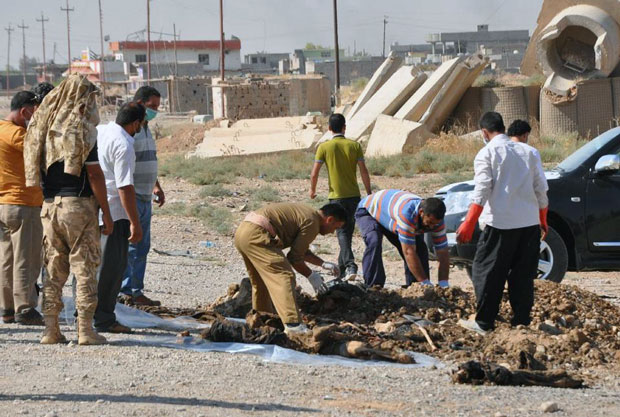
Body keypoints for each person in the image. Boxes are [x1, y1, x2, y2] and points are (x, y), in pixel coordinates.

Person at [27, 75, 114, 345]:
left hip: (50, 206)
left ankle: (50, 330)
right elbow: (96, 175)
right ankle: (85, 330)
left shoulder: (43, 128)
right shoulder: (80, 129)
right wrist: (107, 214)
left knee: (53, 269)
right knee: (85, 266)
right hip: (78, 205)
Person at [457, 112, 549, 335]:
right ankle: (521, 322)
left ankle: (485, 322)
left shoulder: (487, 152)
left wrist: (469, 222)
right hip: (528, 225)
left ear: (484, 132)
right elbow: (541, 189)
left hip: (500, 225)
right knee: (523, 276)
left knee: (486, 272)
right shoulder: (530, 152)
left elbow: (482, 189)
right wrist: (543, 220)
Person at [234, 203, 346, 335]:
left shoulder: (307, 213)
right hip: (257, 235)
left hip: (243, 232)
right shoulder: (312, 223)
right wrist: (311, 276)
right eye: (335, 227)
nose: (332, 232)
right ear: (330, 219)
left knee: (261, 282)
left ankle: (262, 321)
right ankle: (293, 325)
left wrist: (322, 263)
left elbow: (302, 252)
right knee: (284, 275)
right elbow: (294, 258)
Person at [94, 102, 145, 334]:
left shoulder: (102, 131)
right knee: (111, 268)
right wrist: (135, 222)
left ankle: (84, 313)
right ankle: (103, 318)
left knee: (92, 265)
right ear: (135, 123)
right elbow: (124, 186)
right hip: (115, 213)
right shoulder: (124, 144)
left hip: (96, 210)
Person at [310, 113, 371, 280]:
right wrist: (369, 192)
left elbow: (314, 173)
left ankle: (350, 266)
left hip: (335, 197)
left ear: (329, 128)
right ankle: (341, 271)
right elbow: (363, 171)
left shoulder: (324, 147)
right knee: (346, 232)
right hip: (354, 196)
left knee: (342, 234)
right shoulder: (354, 146)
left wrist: (312, 190)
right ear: (344, 127)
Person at [0, 91, 44, 325]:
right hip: (23, 204)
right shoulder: (17, 134)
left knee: (6, 259)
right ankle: (24, 308)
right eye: (35, 113)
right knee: (26, 258)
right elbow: (40, 150)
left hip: (5, 204)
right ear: (25, 112)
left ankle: (6, 308)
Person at [120, 86, 165, 306]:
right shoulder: (130, 129)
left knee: (142, 247)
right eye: (152, 107)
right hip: (132, 196)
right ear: (139, 103)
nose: (155, 111)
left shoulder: (145, 128)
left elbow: (148, 158)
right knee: (131, 245)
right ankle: (126, 291)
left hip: (146, 195)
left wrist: (156, 185)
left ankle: (136, 290)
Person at [355, 190, 450, 288]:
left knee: (419, 248)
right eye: (429, 222)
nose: (431, 227)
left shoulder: (437, 222)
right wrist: (425, 282)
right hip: (369, 210)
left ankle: (415, 287)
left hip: (391, 215)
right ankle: (373, 287)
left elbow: (443, 252)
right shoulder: (406, 214)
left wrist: (444, 283)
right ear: (421, 212)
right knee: (374, 240)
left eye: (435, 224)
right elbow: (408, 252)